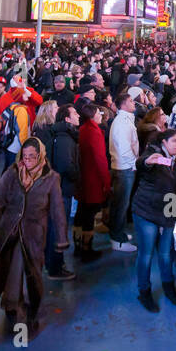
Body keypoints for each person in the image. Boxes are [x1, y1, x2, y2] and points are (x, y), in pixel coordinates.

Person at [0, 137, 67, 336]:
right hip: (9, 233)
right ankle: (17, 317)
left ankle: (26, 310)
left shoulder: (51, 178)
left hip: (34, 236)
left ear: (40, 156)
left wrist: (61, 238)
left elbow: (57, 211)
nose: (28, 161)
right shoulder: (11, 173)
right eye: (25, 157)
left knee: (33, 275)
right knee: (13, 274)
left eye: (32, 157)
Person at [131, 130, 176, 312]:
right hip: (147, 210)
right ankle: (144, 291)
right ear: (164, 142)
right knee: (146, 255)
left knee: (166, 253)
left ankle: (168, 287)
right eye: (174, 141)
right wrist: (146, 161)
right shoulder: (153, 154)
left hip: (169, 207)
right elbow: (142, 163)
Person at [44, 103, 80, 281]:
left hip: (58, 188)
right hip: (62, 189)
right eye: (75, 114)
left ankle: (51, 262)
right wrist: (77, 175)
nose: (78, 116)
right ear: (67, 118)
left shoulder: (60, 135)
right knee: (58, 229)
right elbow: (66, 166)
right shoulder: (66, 138)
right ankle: (55, 267)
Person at [74, 102, 110, 262]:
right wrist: (106, 181)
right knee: (89, 214)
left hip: (83, 177)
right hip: (93, 179)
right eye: (98, 113)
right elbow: (100, 159)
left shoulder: (82, 129)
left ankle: (77, 245)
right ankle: (87, 249)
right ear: (92, 115)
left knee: (82, 212)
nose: (100, 115)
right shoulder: (94, 132)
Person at [107, 91, 140, 252]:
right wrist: (134, 163)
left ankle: (118, 233)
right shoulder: (121, 123)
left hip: (125, 167)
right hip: (124, 168)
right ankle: (117, 239)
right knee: (120, 204)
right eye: (131, 101)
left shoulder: (125, 120)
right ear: (123, 105)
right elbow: (125, 149)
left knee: (121, 203)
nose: (134, 103)